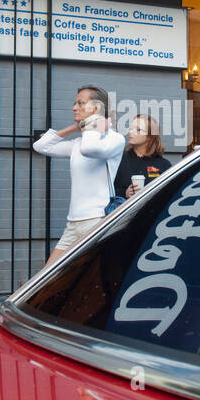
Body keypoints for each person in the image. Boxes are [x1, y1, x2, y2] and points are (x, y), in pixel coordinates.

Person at [33, 86, 125, 267]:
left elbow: (90, 149)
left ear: (97, 108)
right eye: (75, 103)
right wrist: (74, 129)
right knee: (48, 276)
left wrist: (94, 125)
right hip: (73, 223)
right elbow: (40, 146)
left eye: (81, 103)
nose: (74, 107)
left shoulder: (114, 139)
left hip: (95, 221)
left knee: (89, 281)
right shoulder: (78, 142)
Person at [115, 112, 172, 199]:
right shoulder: (119, 159)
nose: (131, 132)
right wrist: (124, 193)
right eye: (131, 128)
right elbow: (107, 190)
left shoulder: (164, 165)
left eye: (138, 130)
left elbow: (168, 194)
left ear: (150, 136)